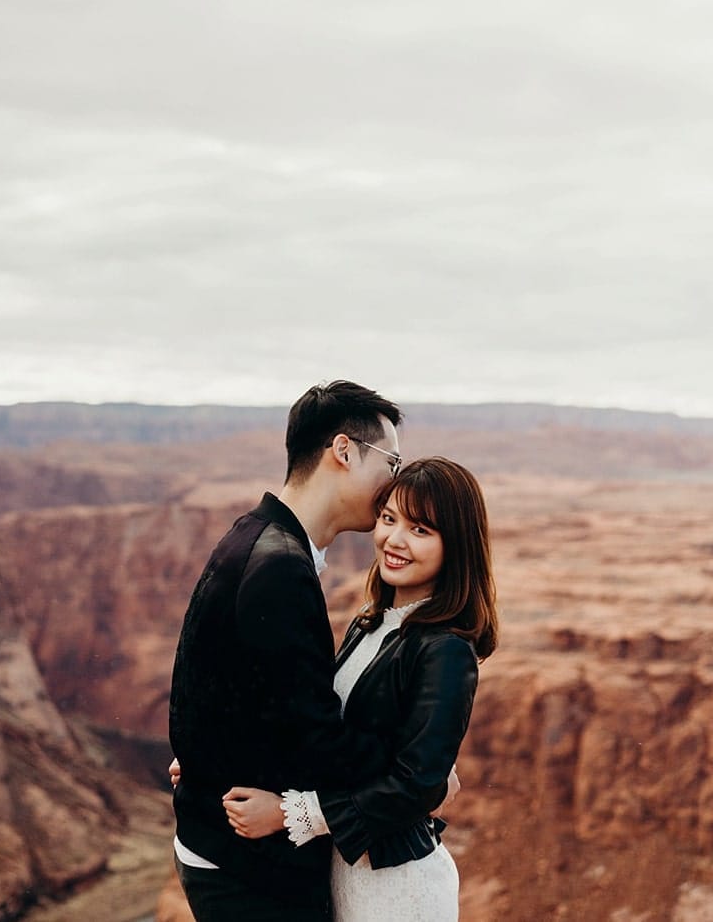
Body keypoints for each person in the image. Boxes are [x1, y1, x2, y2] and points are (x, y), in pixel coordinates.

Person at [221, 457, 499, 922]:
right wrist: (213, 752)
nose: (395, 540)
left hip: (398, 890)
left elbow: (418, 784)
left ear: (458, 545)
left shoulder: (445, 650)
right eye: (389, 519)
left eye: (421, 530)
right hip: (350, 876)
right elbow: (315, 725)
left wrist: (290, 814)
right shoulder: (371, 623)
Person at [169, 380, 404, 921]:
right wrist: (417, 774)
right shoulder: (278, 567)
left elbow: (219, 682)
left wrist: (207, 754)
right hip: (248, 872)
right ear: (344, 452)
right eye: (391, 461)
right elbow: (316, 736)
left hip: (218, 846)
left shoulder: (254, 535)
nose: (396, 481)